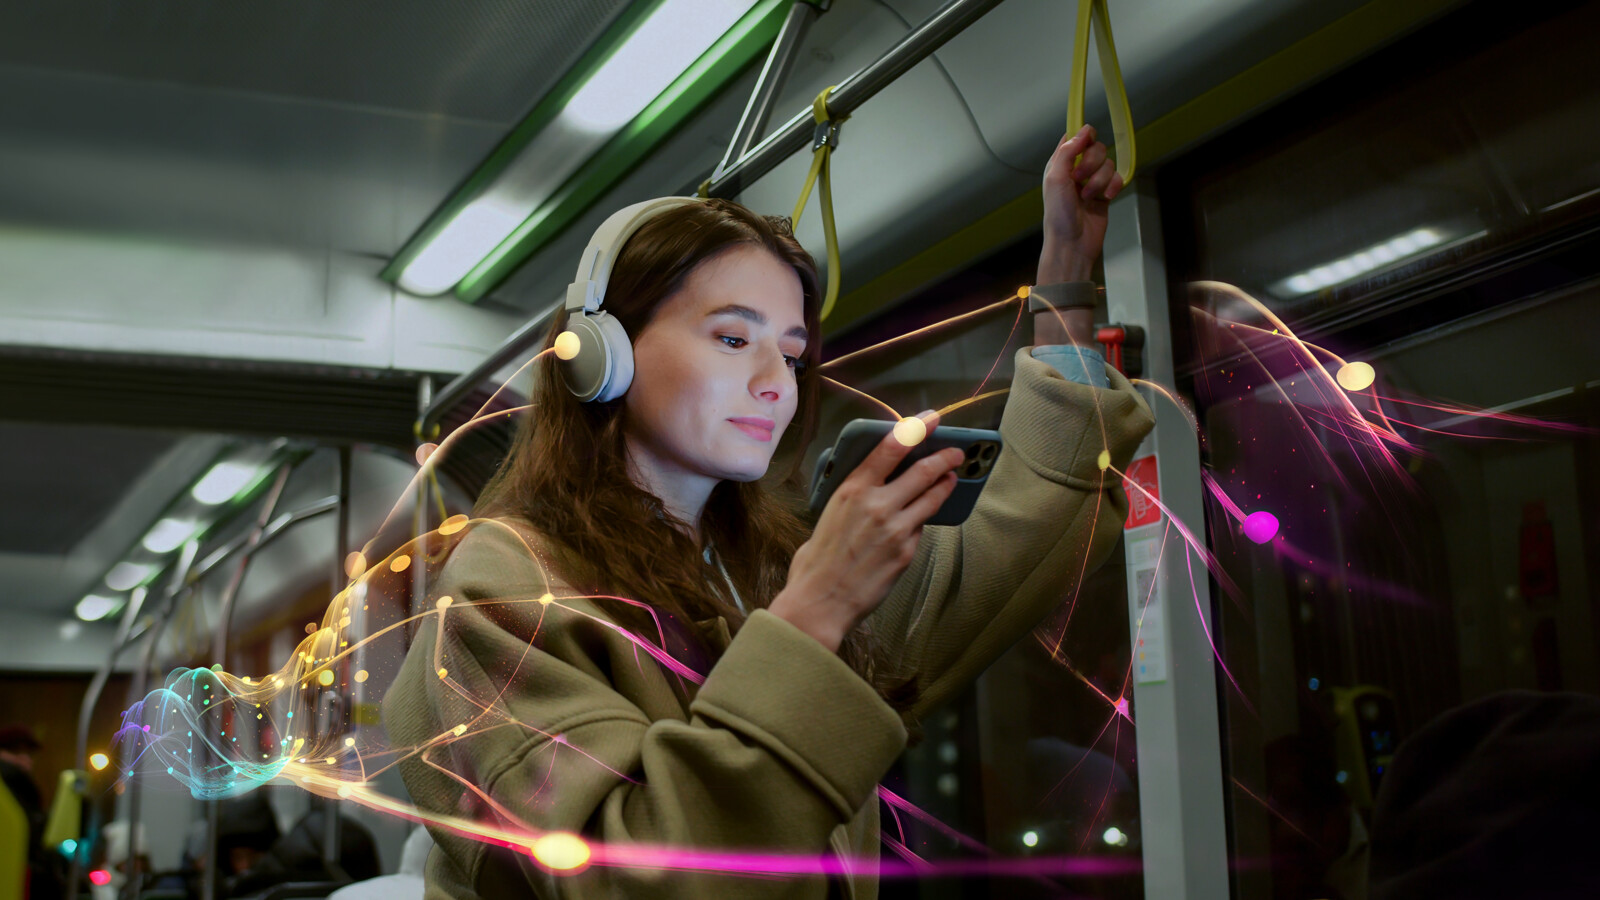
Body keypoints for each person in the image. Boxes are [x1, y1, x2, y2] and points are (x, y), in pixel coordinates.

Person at [383, 123, 1153, 898]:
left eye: (789, 353)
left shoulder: (760, 569)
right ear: (599, 353)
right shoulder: (503, 588)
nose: (776, 382)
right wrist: (816, 612)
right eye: (730, 337)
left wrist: (1064, 280)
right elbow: (636, 881)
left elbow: (1010, 549)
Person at [0, 724, 64, 900]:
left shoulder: (24, 790)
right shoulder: (13, 788)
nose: (24, 759)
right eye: (15, 751)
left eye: (28, 754)